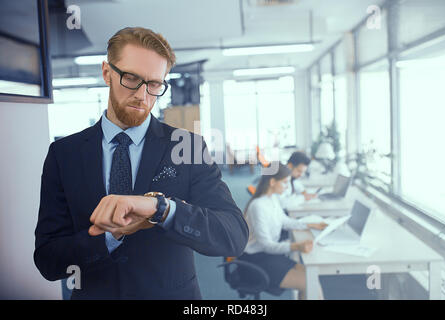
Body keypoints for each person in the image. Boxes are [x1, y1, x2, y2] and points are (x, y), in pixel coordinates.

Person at [33, 27, 249, 300]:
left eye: (155, 84)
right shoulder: (64, 154)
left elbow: (233, 235)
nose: (143, 95)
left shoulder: (188, 147)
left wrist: (162, 209)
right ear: (106, 72)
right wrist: (109, 238)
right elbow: (48, 260)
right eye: (131, 78)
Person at [239, 162, 326, 300]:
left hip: (268, 255)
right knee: (308, 283)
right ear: (272, 182)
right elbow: (266, 245)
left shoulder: (272, 198)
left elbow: (285, 221)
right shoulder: (258, 206)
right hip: (255, 259)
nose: (287, 188)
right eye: (285, 183)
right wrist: (296, 246)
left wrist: (310, 225)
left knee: (311, 277)